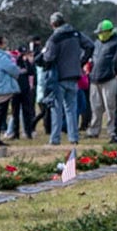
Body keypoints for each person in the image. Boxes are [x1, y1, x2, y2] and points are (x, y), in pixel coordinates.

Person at [41, 13, 86, 144]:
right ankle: (73, 137)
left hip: (58, 77)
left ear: (53, 24)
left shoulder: (54, 38)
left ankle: (55, 139)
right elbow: (90, 46)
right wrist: (81, 62)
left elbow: (48, 58)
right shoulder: (76, 34)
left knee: (57, 109)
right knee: (72, 109)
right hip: (74, 76)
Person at [86, 21, 117, 138]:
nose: (100, 34)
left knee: (111, 106)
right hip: (95, 79)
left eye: (102, 32)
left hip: (109, 79)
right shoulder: (97, 43)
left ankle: (112, 130)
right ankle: (94, 130)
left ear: (109, 31)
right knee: (95, 107)